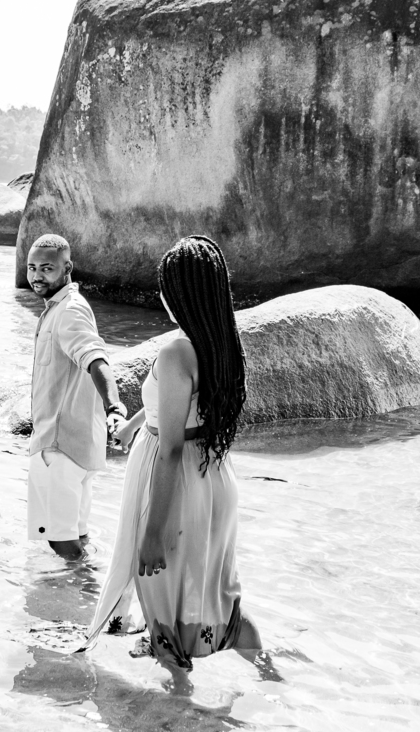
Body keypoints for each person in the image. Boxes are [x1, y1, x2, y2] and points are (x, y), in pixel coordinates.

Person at [79, 235, 275, 692]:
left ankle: (178, 701)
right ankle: (272, 681)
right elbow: (184, 411)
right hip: (211, 476)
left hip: (176, 480)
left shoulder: (174, 353)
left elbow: (168, 448)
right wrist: (132, 426)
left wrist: (154, 532)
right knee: (218, 592)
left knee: (161, 593)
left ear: (180, 294)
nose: (162, 296)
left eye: (166, 287)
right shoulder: (221, 342)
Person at [26, 234, 127, 560]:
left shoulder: (68, 310)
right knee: (78, 538)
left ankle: (85, 590)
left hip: (58, 446)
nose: (37, 276)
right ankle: (88, 590)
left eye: (46, 268)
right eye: (31, 268)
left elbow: (95, 358)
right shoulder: (64, 308)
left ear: (67, 268)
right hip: (78, 447)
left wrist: (114, 406)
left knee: (60, 542)